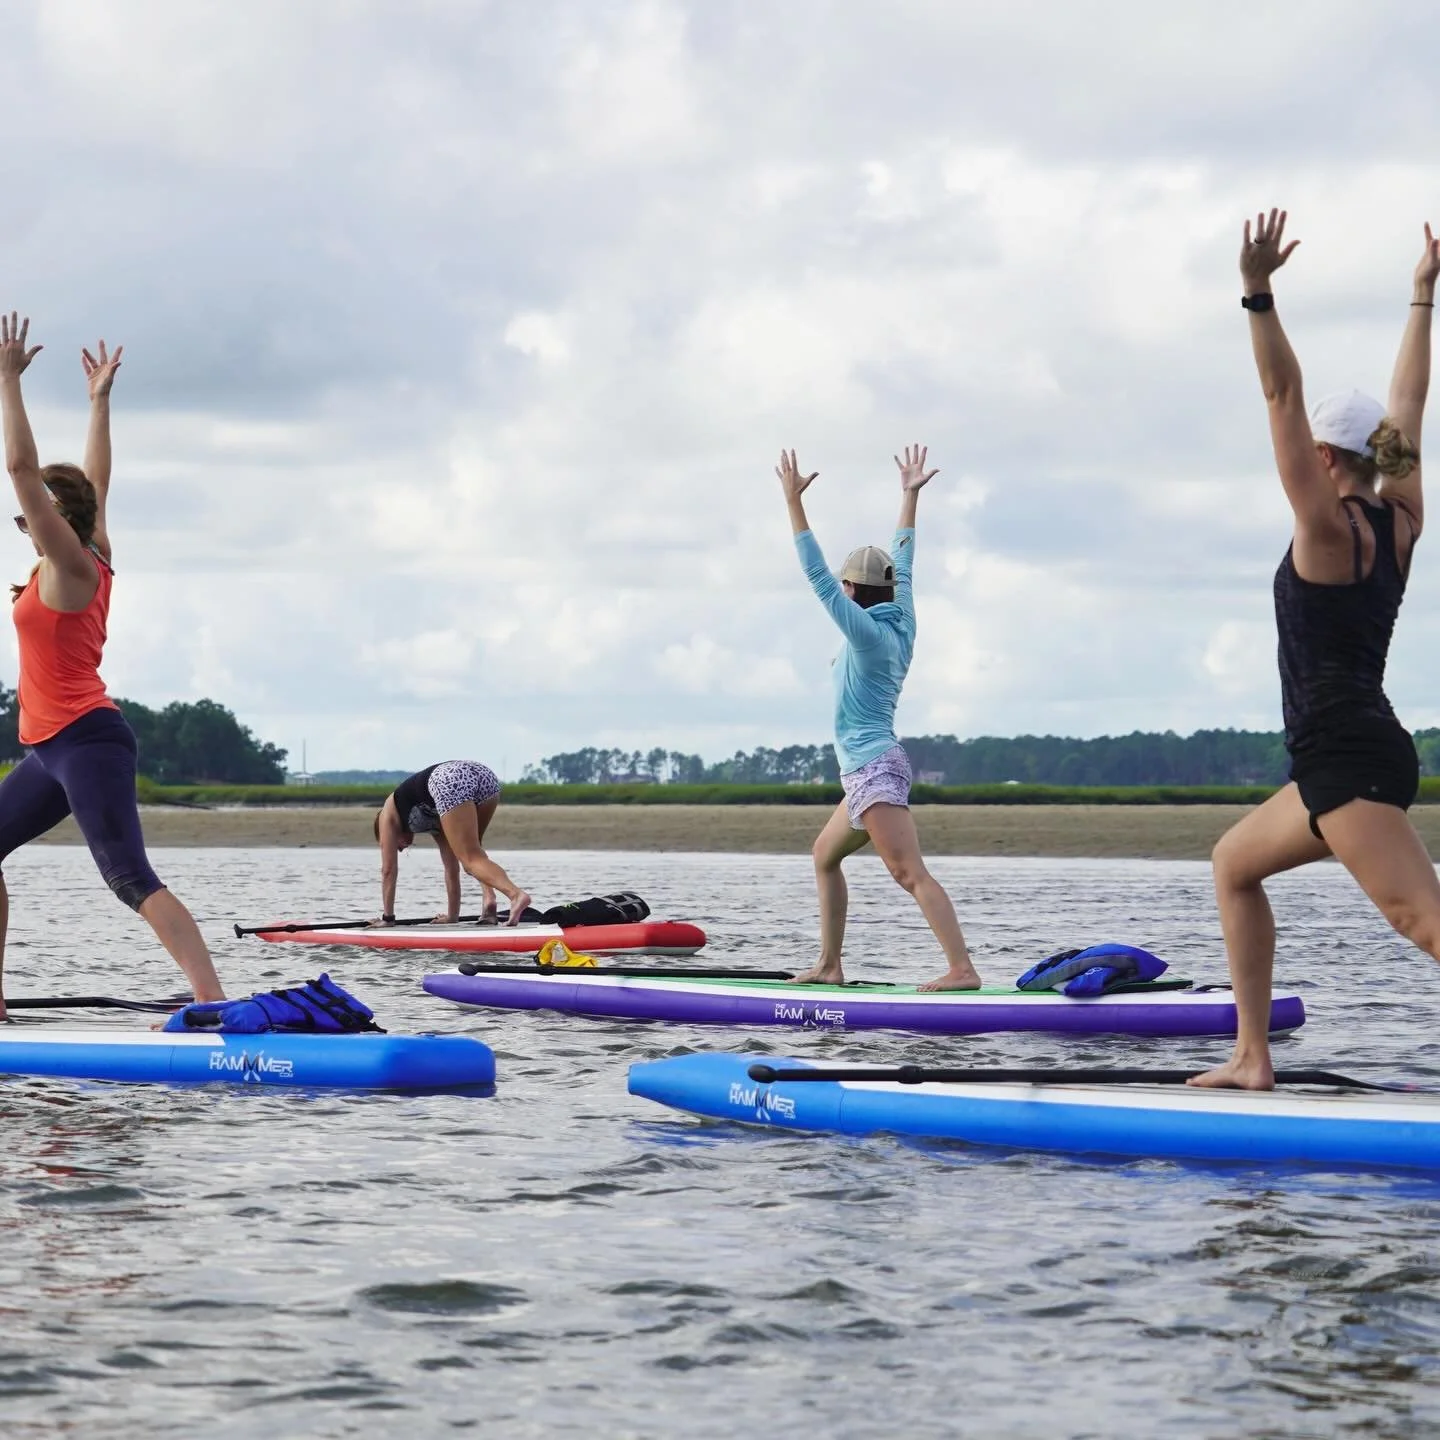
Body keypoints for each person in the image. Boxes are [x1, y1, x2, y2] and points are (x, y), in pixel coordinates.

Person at [1192, 211, 1439, 1091]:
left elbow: (1279, 398)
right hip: (1350, 755)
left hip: (1346, 758)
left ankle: (1254, 1057)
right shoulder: (1402, 522)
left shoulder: (1327, 528)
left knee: (1424, 922)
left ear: (1327, 455)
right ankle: (1252, 1058)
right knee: (1234, 863)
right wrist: (1421, 297)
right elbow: (1407, 406)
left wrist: (1258, 295)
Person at [0, 316, 226, 1019]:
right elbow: (96, 480)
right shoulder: (87, 543)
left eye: (30, 516)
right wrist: (98, 402)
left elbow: (19, 469)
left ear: (53, 519)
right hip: (47, 749)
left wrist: (7, 381)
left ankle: (213, 1004)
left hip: (87, 739)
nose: (21, 523)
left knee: (129, 877)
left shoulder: (71, 565)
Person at [778, 444, 981, 991]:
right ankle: (829, 964)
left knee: (908, 873)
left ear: (852, 592)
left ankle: (962, 969)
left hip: (874, 768)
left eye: (844, 587)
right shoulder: (902, 612)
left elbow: (816, 577)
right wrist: (909, 496)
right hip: (867, 769)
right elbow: (905, 554)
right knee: (824, 855)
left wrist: (793, 503)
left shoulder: (866, 634)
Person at [372, 761, 532, 926]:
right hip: (484, 777)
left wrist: (388, 919)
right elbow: (451, 868)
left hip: (448, 779)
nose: (399, 849)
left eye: (395, 845)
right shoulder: (434, 816)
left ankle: (516, 895)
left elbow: (388, 870)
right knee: (475, 855)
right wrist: (452, 917)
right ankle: (489, 903)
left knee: (471, 860)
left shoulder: (386, 815)